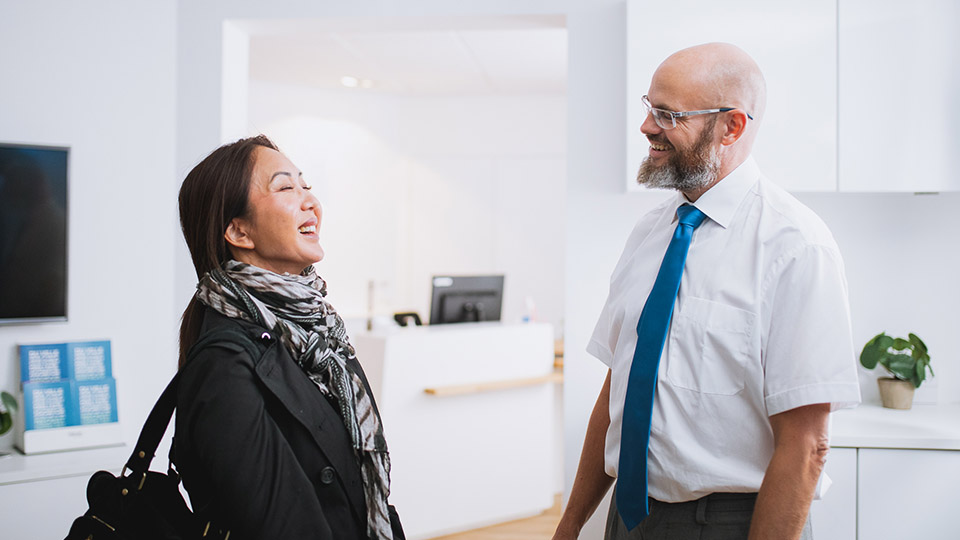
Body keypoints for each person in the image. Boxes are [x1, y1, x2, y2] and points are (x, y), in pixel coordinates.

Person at [554, 43, 861, 540]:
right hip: (628, 518)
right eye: (648, 107)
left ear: (731, 127)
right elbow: (621, 386)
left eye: (667, 114)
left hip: (731, 523)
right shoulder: (650, 233)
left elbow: (806, 446)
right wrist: (570, 526)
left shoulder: (796, 247)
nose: (647, 126)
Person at [174, 135, 405, 539]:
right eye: (285, 187)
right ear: (239, 231)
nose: (310, 202)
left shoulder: (319, 333)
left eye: (306, 186)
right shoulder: (223, 363)